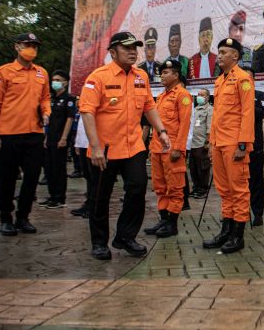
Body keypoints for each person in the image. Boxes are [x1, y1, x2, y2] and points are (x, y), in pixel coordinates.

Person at [78, 31, 172, 260]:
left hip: (133, 147)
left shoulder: (141, 76)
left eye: (134, 48)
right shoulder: (98, 77)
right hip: (105, 150)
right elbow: (87, 112)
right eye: (127, 48)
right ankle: (99, 243)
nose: (133, 52)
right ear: (112, 52)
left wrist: (161, 131)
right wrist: (96, 146)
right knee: (100, 197)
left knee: (137, 189)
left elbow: (149, 105)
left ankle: (125, 236)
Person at [0, 33, 51, 236]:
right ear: (17, 47)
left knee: (32, 177)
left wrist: (47, 111)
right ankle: (6, 217)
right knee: (7, 177)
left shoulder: (42, 73)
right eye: (27, 45)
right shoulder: (3, 72)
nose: (31, 49)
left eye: (35, 45)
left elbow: (45, 98)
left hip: (34, 133)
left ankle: (23, 216)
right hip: (9, 133)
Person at [202, 37, 254, 254]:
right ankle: (226, 230)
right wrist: (210, 142)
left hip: (234, 144)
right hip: (218, 143)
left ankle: (238, 235)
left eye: (224, 52)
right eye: (219, 52)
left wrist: (243, 145)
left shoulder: (243, 79)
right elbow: (217, 116)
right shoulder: (219, 81)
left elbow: (247, 113)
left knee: (239, 190)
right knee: (224, 190)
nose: (220, 55)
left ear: (235, 56)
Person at [143, 60, 192, 238]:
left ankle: (172, 224)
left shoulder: (183, 95)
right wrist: (151, 147)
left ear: (176, 75)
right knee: (160, 186)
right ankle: (163, 219)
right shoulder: (162, 96)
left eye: (165, 72)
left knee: (175, 187)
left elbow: (185, 125)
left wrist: (178, 149)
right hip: (157, 149)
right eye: (161, 73)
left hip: (172, 151)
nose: (162, 76)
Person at [41, 70, 76, 209]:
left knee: (58, 168)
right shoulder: (52, 99)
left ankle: (59, 198)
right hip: (50, 138)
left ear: (65, 82)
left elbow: (69, 119)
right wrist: (45, 137)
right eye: (53, 79)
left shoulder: (69, 99)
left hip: (60, 138)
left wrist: (64, 138)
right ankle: (51, 195)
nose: (54, 82)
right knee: (49, 168)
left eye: (58, 79)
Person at [244, 68, 264, 227]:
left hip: (255, 144)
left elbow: (262, 112)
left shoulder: (259, 95)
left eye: (248, 77)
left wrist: (246, 105)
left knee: (256, 181)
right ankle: (237, 212)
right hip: (238, 145)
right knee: (238, 181)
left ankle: (257, 213)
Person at [189, 88, 212, 199]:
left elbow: (210, 127)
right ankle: (196, 187)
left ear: (207, 97)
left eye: (202, 95)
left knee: (202, 168)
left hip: (202, 143)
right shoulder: (196, 109)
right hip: (192, 143)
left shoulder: (210, 109)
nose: (199, 96)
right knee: (193, 168)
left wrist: (207, 142)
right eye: (198, 94)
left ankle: (203, 189)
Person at [71, 114, 91, 218]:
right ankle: (89, 204)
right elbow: (81, 124)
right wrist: (78, 143)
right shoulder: (83, 101)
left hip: (92, 143)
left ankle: (93, 207)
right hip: (83, 143)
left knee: (93, 178)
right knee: (87, 175)